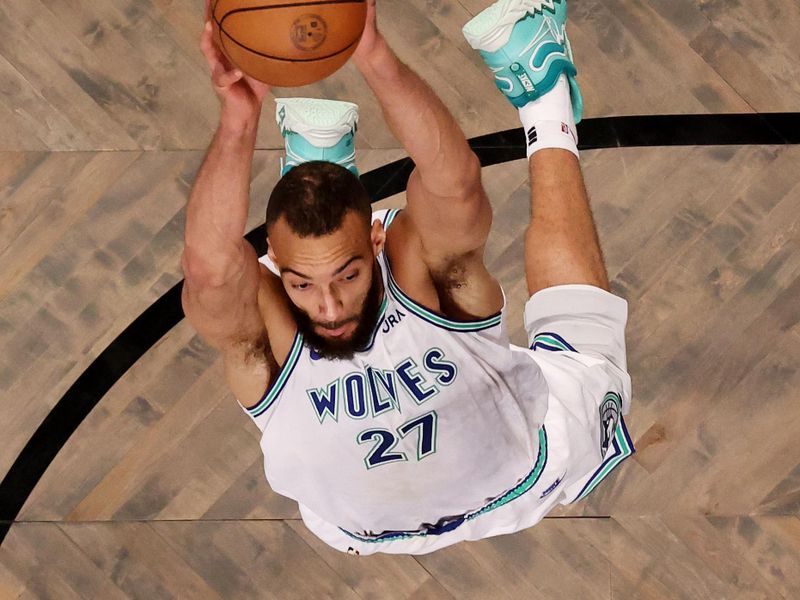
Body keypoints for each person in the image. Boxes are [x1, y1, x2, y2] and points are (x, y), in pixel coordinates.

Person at [182, 0, 633, 556]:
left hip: (517, 478)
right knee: (592, 361)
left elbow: (455, 183)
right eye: (300, 283)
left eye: (347, 275)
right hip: (378, 526)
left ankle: (541, 94)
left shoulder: (424, 279)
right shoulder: (269, 335)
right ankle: (539, 94)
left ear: (377, 239)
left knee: (575, 342)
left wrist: (374, 57)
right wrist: (237, 118)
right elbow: (209, 271)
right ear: (271, 259)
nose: (328, 308)